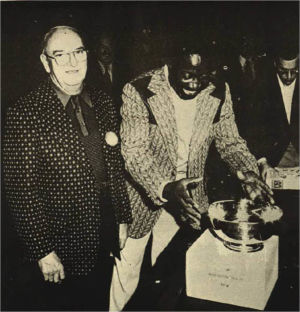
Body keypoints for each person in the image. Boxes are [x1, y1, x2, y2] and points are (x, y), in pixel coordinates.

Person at [109, 36, 274, 311]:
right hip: (141, 198)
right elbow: (135, 153)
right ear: (169, 65)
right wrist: (166, 188)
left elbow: (229, 141)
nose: (196, 83)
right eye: (188, 75)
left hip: (188, 201)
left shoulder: (219, 89)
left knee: (167, 274)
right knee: (127, 274)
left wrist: (246, 171)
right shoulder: (138, 90)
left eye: (203, 75)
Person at [3, 25, 131, 310]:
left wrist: (121, 218)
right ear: (45, 61)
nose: (72, 63)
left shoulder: (103, 100)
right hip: (59, 244)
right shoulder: (25, 112)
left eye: (78, 52)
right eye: (60, 55)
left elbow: (114, 166)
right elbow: (21, 190)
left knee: (99, 302)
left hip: (104, 233)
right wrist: (43, 251)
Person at [240, 43, 299, 308]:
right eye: (283, 72)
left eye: (294, 72)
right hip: (273, 164)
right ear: (275, 65)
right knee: (276, 225)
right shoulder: (259, 87)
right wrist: (262, 162)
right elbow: (252, 129)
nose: (288, 77)